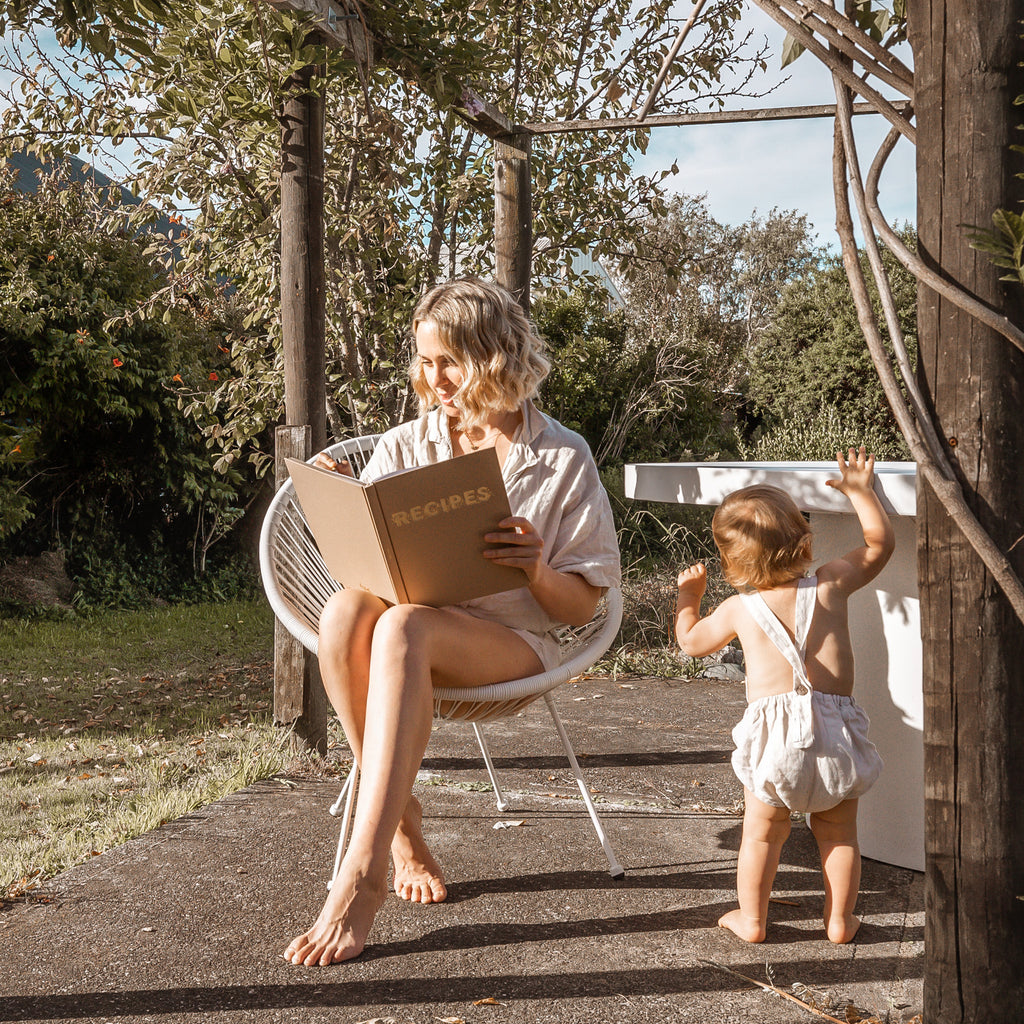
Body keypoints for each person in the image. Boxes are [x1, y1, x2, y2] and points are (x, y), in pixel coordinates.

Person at [284, 277, 621, 966]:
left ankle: (362, 874)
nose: (431, 379)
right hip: (407, 634)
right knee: (350, 610)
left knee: (406, 627)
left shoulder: (561, 457)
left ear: (496, 355)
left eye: (448, 362)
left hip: (512, 645)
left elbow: (583, 606)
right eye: (424, 361)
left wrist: (533, 569)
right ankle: (403, 826)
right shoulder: (409, 444)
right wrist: (338, 504)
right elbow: (362, 574)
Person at [674, 447, 894, 944]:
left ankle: (752, 920)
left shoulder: (735, 608)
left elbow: (690, 644)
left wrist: (688, 598)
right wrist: (861, 492)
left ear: (730, 562)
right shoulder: (832, 583)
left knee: (761, 835)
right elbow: (879, 546)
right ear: (805, 541)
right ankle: (839, 921)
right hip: (836, 736)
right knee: (838, 836)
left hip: (774, 744)